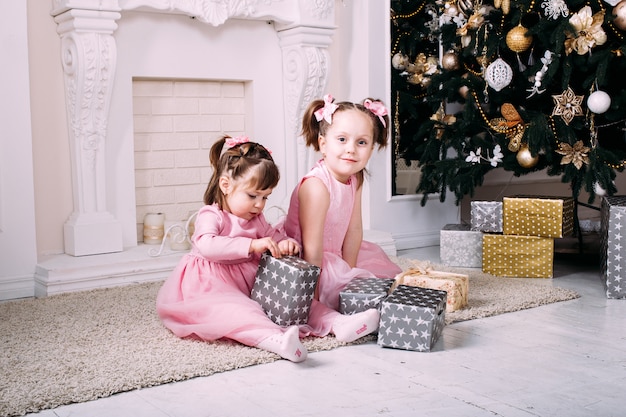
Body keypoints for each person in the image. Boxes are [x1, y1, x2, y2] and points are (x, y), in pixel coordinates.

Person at [156, 135, 307, 363]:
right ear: (226, 185)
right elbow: (207, 245)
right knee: (235, 312)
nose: (259, 204)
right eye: (252, 195)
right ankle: (275, 340)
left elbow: (271, 235)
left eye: (266, 197)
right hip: (208, 285)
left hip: (246, 281)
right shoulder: (211, 214)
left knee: (294, 303)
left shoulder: (257, 217)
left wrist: (285, 243)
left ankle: (337, 321)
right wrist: (251, 245)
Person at [285, 94, 403, 343]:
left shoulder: (355, 177)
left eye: (362, 142)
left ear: (372, 148)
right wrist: (312, 297)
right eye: (342, 139)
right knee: (323, 299)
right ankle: (334, 320)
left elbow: (353, 229)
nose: (351, 148)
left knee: (377, 282)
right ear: (322, 143)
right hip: (306, 260)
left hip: (334, 256)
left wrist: (351, 273)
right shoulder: (317, 186)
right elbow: (312, 247)